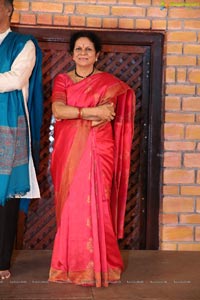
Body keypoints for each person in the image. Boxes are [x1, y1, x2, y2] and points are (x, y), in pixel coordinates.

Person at [49, 30, 135, 287]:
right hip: (67, 151)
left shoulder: (108, 82)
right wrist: (89, 111)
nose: (83, 53)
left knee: (97, 203)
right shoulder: (62, 80)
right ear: (71, 54)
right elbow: (57, 110)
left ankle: (101, 266)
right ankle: (68, 265)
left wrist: (75, 112)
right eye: (78, 49)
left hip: (99, 149)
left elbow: (106, 113)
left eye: (88, 49)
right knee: (71, 205)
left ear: (97, 55)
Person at [0, 0, 43, 280]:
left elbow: (15, 79)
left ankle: (1, 261)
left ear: (7, 9)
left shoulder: (24, 44)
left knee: (7, 196)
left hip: (10, 128)